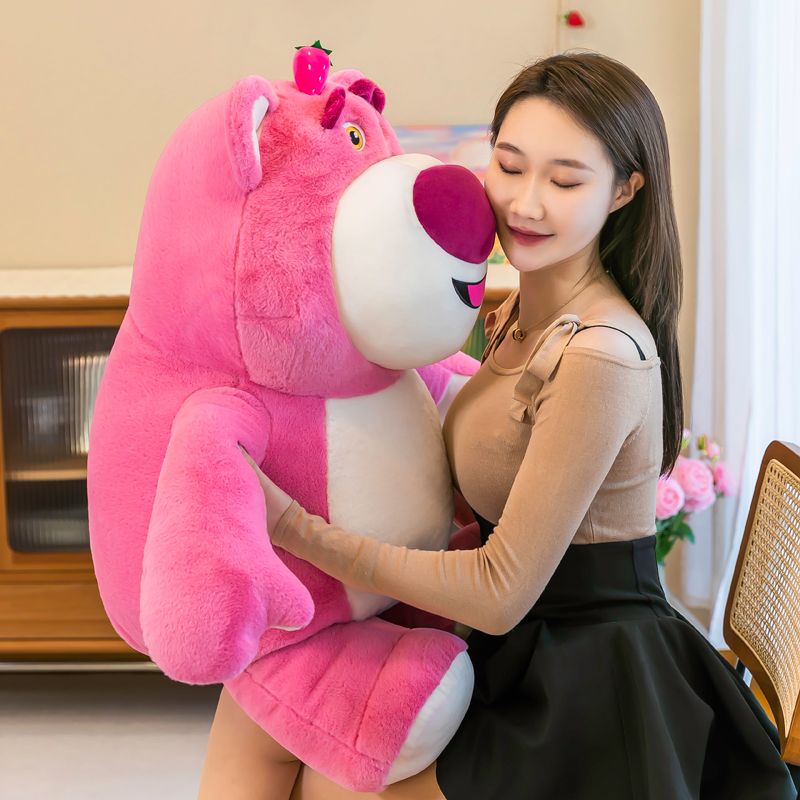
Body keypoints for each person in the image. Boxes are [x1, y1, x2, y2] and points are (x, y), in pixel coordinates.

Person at [198, 53, 800, 799]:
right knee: (259, 696)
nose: (526, 204)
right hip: (509, 646)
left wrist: (295, 529)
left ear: (625, 190)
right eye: (510, 167)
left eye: (565, 181)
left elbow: (499, 588)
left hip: (577, 684)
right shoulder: (516, 313)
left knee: (319, 779)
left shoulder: (600, 356)